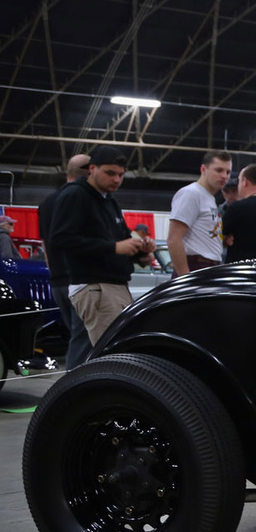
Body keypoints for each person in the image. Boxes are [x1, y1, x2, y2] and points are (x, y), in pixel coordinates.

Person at [44, 144, 154, 347]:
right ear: (92, 169)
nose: (116, 180)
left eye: (121, 175)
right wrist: (114, 248)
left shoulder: (109, 200)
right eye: (110, 173)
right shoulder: (75, 195)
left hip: (115, 285)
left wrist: (140, 252)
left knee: (119, 350)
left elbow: (119, 239)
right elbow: (61, 240)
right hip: (95, 286)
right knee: (112, 352)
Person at [36, 153, 94, 367]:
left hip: (58, 280)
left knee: (77, 340)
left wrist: (55, 273)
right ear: (90, 172)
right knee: (83, 343)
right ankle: (75, 391)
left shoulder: (46, 203)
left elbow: (44, 243)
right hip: (79, 281)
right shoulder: (82, 199)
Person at [169, 149, 231, 275]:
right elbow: (173, 239)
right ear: (203, 169)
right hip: (195, 266)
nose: (224, 176)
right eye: (219, 170)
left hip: (209, 266)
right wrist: (184, 279)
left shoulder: (209, 198)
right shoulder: (191, 193)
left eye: (228, 172)